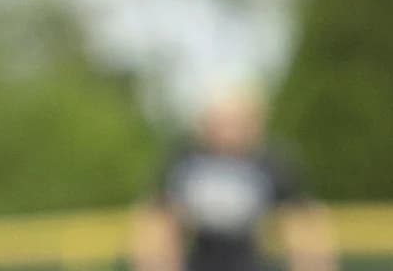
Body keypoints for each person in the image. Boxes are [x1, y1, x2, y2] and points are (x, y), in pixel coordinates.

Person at [134, 86, 334, 271]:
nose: (229, 131)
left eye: (236, 121)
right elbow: (156, 227)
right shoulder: (184, 161)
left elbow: (305, 231)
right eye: (222, 120)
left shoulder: (272, 163)